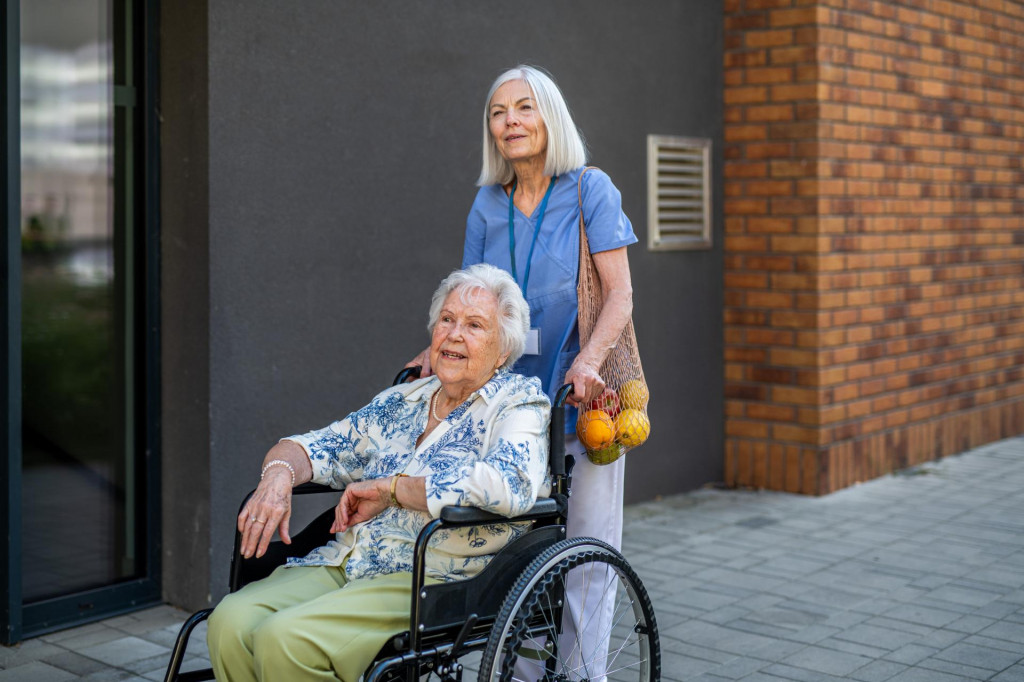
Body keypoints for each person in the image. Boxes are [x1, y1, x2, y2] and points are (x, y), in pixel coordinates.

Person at [207, 263, 551, 682]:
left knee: (286, 640)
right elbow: (319, 445)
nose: (454, 334)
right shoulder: (402, 401)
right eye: (447, 319)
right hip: (348, 558)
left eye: (475, 325)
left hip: (430, 575)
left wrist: (394, 489)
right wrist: (277, 476)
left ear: (502, 352)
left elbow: (509, 483)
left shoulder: (517, 404)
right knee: (230, 622)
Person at [409, 65, 637, 680]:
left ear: (549, 116)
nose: (510, 121)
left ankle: (583, 673)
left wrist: (589, 360)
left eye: (524, 107)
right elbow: (469, 299)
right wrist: (438, 350)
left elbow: (620, 294)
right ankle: (522, 670)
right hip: (507, 405)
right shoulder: (488, 204)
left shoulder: (590, 190)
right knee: (513, 546)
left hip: (581, 398)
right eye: (497, 111)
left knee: (587, 550)